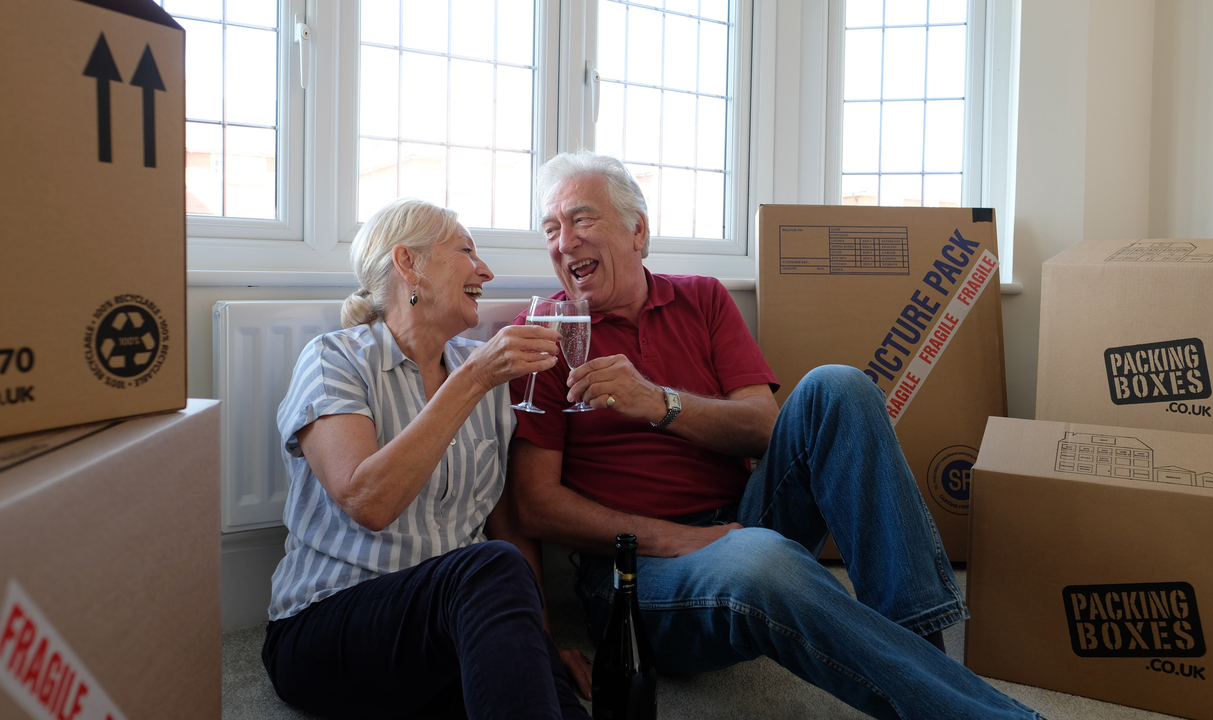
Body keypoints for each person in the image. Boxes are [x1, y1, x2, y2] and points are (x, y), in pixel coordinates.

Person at [507, 151, 1043, 719]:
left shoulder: (703, 297)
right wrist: (668, 538)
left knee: (839, 387)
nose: (564, 242)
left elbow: (764, 428)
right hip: (640, 573)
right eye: (551, 228)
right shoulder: (544, 335)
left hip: (744, 515)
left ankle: (924, 660)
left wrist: (657, 403)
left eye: (581, 220)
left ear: (638, 229)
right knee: (761, 558)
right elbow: (533, 505)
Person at [261, 198, 590, 720]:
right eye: (466, 250)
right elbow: (369, 500)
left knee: (548, 697)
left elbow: (502, 523)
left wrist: (540, 639)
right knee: (489, 572)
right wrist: (475, 379)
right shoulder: (334, 359)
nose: (486, 271)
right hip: (327, 625)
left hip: (451, 620)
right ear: (408, 263)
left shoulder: (476, 369)